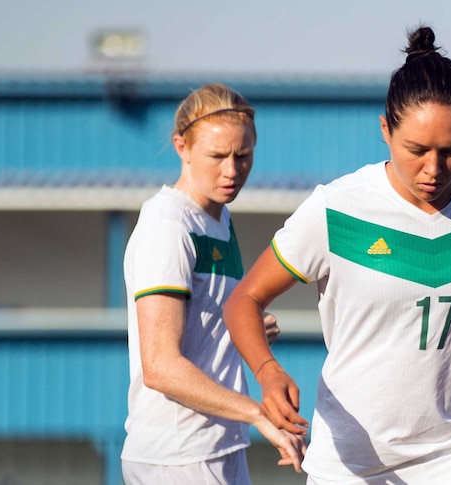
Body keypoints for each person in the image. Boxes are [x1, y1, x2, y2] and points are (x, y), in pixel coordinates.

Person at [223, 26, 451, 484]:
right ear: (385, 130)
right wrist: (268, 372)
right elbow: (244, 300)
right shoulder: (336, 208)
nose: (434, 169)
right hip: (356, 461)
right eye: (417, 150)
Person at [120, 83, 306, 484]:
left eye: (243, 156)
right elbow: (161, 367)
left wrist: (242, 328)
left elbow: (200, 323)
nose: (231, 170)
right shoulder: (168, 225)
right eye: (217, 156)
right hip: (177, 457)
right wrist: (259, 413)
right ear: (181, 147)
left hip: (217, 445)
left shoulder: (220, 219)